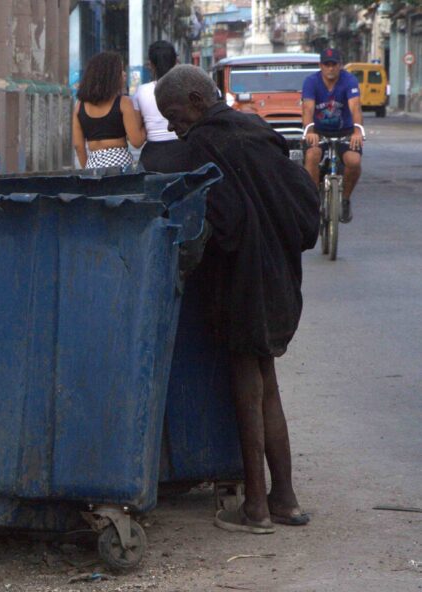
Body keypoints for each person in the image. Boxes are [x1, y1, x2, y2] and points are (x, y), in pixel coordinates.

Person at [155, 65, 319, 533]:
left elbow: (221, 222)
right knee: (266, 380)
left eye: (174, 114)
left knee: (247, 386)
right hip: (280, 278)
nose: (170, 125)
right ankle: (283, 498)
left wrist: (194, 253)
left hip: (242, 281)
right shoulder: (257, 129)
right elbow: (303, 205)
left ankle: (256, 509)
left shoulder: (205, 144)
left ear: (196, 99)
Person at [301, 48, 364, 223]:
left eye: (334, 64)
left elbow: (355, 106)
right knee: (312, 155)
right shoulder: (311, 82)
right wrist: (310, 130)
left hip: (345, 132)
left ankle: (345, 199)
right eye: (326, 65)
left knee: (354, 161)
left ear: (340, 65)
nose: (330, 68)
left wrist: (358, 131)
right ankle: (314, 202)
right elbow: (307, 108)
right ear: (320, 66)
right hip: (318, 132)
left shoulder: (349, 80)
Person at [72, 52, 145, 169]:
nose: (125, 74)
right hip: (120, 163)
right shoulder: (123, 102)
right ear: (110, 76)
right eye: (121, 71)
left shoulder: (79, 106)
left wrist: (88, 169)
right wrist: (147, 125)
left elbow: (78, 146)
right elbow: (136, 142)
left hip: (92, 164)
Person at [132, 41, 191, 172]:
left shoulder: (141, 91)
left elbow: (138, 135)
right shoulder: (188, 87)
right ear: (176, 61)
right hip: (183, 152)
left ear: (151, 65)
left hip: (152, 156)